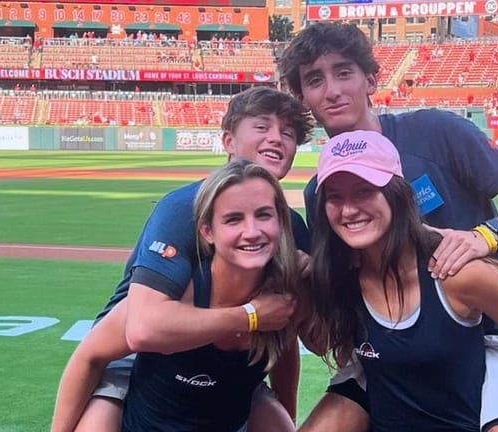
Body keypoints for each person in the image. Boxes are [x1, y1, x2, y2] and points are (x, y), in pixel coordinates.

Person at [278, 22, 498, 432]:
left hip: (493, 335)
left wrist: (482, 236)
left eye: (344, 72)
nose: (333, 90)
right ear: (302, 96)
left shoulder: (436, 133)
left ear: (371, 79)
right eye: (315, 80)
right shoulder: (319, 194)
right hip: (394, 346)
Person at [51, 86, 314, 432]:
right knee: (101, 417)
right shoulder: (183, 208)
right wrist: (250, 317)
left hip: (231, 354)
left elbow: (283, 326)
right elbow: (142, 327)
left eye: (289, 133)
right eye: (262, 127)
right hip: (132, 350)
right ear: (229, 141)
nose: (277, 139)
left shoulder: (291, 227)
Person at [309, 130, 498, 432]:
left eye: (364, 191)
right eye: (334, 197)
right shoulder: (339, 275)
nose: (348, 209)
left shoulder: (454, 272)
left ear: (396, 193)